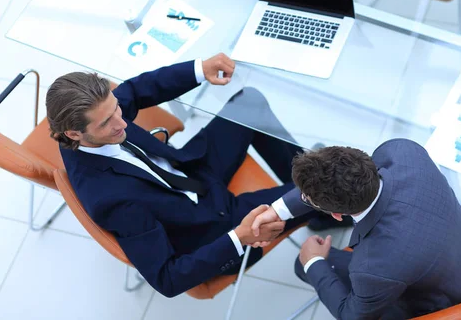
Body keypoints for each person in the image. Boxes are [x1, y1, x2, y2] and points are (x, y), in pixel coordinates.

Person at [46, 53, 324, 298]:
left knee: (249, 102)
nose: (122, 122)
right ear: (73, 134)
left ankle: (312, 191)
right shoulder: (112, 201)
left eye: (117, 108)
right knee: (321, 187)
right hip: (216, 226)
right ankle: (329, 200)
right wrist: (239, 237)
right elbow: (168, 279)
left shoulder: (98, 118)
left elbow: (135, 90)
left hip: (190, 170)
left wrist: (199, 69)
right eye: (108, 122)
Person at [251, 140, 461, 319]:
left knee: (301, 264)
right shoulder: (402, 151)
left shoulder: (373, 268)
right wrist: (279, 210)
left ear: (338, 215)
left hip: (452, 297)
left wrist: (313, 262)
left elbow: (351, 316)